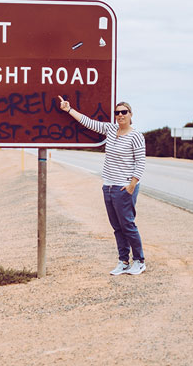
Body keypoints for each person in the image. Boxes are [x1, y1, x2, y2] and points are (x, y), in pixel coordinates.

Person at [58, 96, 147, 275]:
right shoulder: (111, 129)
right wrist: (69, 110)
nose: (120, 115)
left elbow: (141, 162)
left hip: (124, 187)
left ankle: (139, 261)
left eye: (124, 112)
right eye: (117, 113)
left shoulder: (136, 136)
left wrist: (131, 185)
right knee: (116, 227)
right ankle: (123, 261)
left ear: (131, 115)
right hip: (108, 186)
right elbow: (88, 122)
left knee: (127, 225)